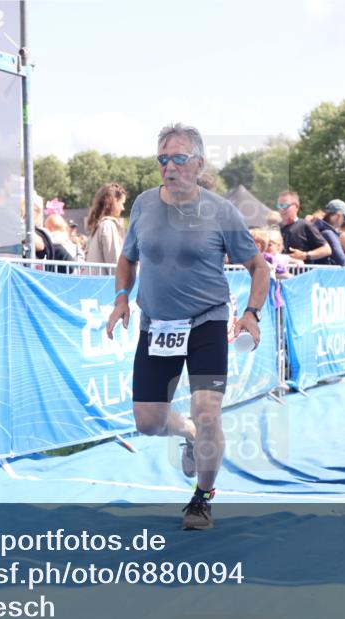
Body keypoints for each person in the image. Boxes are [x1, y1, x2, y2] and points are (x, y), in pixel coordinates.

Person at [104, 124, 270, 530]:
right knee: (148, 422)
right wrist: (122, 298)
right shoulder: (143, 205)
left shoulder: (221, 210)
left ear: (198, 163)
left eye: (179, 158)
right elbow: (127, 259)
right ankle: (190, 432)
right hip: (157, 326)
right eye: (163, 159)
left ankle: (202, 498)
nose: (169, 167)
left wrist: (251, 312)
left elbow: (258, 267)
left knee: (209, 411)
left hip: (207, 323)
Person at [276, 191, 331, 263]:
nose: (281, 209)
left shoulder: (305, 225)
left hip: (302, 272)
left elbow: (327, 250)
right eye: (279, 206)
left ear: (296, 207)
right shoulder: (276, 228)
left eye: (285, 206)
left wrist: (305, 255)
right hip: (281, 273)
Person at [84, 182, 128, 271]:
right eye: (122, 203)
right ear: (114, 201)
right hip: (107, 283)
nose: (123, 208)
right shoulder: (108, 226)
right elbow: (114, 262)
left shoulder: (98, 226)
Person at [312, 200, 345, 266]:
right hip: (326, 274)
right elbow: (342, 261)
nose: (344, 221)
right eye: (344, 217)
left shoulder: (316, 229)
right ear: (338, 216)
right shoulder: (328, 233)